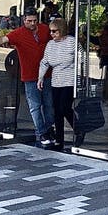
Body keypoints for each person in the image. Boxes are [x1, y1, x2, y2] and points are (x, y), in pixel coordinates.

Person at [0, 6, 55, 145]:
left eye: (34, 21)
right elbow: (3, 39)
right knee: (35, 106)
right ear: (24, 20)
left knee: (49, 105)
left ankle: (47, 129)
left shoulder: (44, 29)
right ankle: (42, 132)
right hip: (30, 76)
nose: (32, 24)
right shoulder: (19, 33)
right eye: (29, 21)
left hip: (46, 74)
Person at [38, 17, 77, 150]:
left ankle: (78, 128)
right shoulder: (50, 45)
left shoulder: (72, 42)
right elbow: (45, 62)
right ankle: (59, 140)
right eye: (50, 31)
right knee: (57, 112)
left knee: (65, 107)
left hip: (70, 80)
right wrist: (40, 77)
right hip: (56, 80)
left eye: (55, 31)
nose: (52, 34)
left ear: (62, 30)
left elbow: (80, 58)